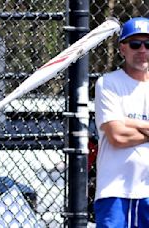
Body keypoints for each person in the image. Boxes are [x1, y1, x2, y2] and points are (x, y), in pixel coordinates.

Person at [94, 17, 149, 227]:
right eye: (135, 44)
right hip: (116, 191)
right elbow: (117, 136)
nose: (142, 50)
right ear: (122, 48)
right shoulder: (108, 83)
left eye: (147, 44)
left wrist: (130, 123)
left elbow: (124, 130)